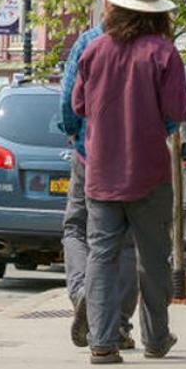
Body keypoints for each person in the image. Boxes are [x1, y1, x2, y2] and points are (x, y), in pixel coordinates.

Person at [72, 0, 186, 365]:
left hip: (100, 173)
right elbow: (177, 109)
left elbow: (79, 106)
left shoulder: (94, 50)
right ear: (158, 14)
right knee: (153, 259)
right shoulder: (164, 53)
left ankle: (102, 341)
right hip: (148, 173)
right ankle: (157, 338)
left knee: (101, 257)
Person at [57, 19, 140, 350]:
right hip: (138, 158)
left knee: (77, 229)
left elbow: (69, 99)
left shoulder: (88, 41)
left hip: (92, 154)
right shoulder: (155, 44)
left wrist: (75, 132)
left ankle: (83, 295)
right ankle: (118, 324)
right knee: (128, 241)